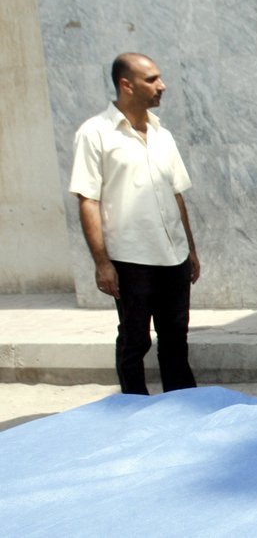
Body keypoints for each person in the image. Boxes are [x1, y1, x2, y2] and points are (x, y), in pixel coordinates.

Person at [69, 53, 201, 395]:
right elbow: (88, 200)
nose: (162, 86)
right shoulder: (95, 133)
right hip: (130, 259)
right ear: (126, 85)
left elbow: (176, 194)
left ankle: (183, 405)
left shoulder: (162, 135)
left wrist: (190, 249)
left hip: (173, 255)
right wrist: (102, 263)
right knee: (134, 339)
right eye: (152, 79)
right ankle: (132, 406)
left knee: (176, 337)